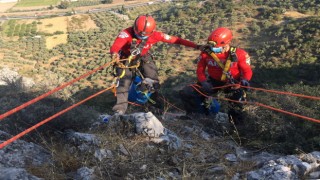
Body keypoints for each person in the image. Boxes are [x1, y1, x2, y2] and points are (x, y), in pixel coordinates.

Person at [110, 14, 199, 116]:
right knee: (123, 83)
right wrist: (114, 53)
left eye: (145, 35)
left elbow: (176, 40)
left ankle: (155, 106)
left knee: (153, 81)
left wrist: (196, 46)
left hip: (143, 57)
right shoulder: (126, 34)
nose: (141, 36)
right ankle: (120, 109)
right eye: (139, 33)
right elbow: (116, 45)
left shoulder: (156, 35)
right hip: (125, 59)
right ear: (134, 27)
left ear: (151, 32)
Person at [179, 27, 253, 123]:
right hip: (214, 81)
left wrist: (245, 80)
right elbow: (200, 70)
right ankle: (198, 117)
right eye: (212, 48)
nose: (214, 50)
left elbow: (247, 71)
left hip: (233, 82)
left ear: (227, 44)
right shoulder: (206, 54)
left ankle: (236, 127)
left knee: (237, 103)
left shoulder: (239, 54)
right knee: (188, 92)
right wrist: (203, 82)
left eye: (217, 48)